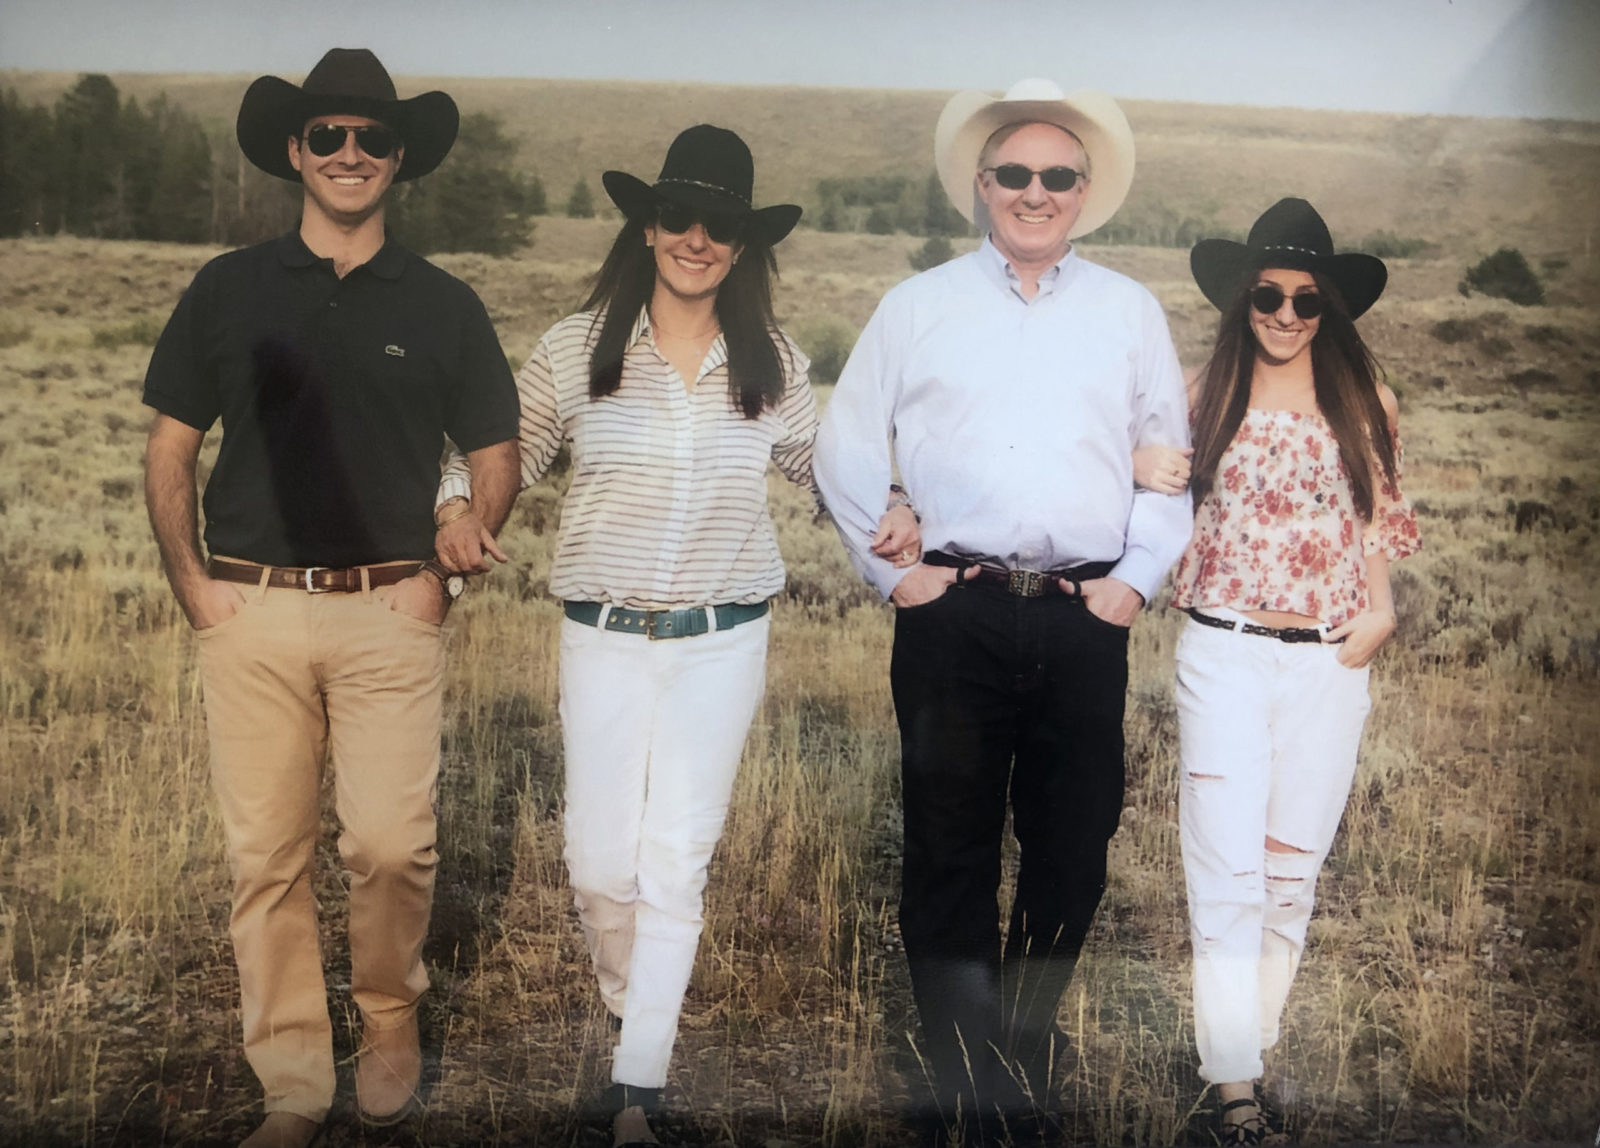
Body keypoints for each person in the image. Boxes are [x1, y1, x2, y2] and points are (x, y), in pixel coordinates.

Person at [432, 125, 920, 1148]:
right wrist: (456, 512)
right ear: (646, 226)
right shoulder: (575, 349)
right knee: (599, 865)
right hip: (602, 632)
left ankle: (637, 1085)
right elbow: (496, 449)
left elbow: (818, 469)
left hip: (722, 638)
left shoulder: (774, 361)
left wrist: (897, 501)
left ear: (743, 245)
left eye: (722, 225)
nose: (698, 239)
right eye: (680, 218)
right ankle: (629, 992)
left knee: (675, 857)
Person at [141, 49, 520, 1148]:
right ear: (295, 154)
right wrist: (197, 590)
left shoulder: (445, 304)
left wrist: (446, 565)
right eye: (328, 136)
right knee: (266, 856)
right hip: (249, 612)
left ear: (399, 160)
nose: (350, 154)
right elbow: (170, 451)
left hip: (391, 611)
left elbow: (494, 449)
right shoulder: (227, 286)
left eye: (371, 138)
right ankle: (294, 1081)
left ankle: (390, 1019)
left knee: (392, 845)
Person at [814, 79, 1192, 1137]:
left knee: (1072, 845)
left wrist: (1133, 581)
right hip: (955, 612)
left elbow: (1169, 467)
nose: (1035, 191)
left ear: (1083, 193)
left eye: (1056, 176)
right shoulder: (918, 306)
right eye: (1014, 174)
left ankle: (1022, 1050)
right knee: (948, 845)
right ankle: (958, 1073)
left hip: (1082, 617)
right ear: (981, 187)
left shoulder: (1128, 312)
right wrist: (895, 573)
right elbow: (844, 442)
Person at [1137, 198, 1420, 1144]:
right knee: (1227, 871)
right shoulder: (1198, 394)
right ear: (1240, 297)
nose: (1286, 314)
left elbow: (1376, 521)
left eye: (1307, 300)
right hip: (1222, 653)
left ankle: (1243, 1048)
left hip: (1328, 665)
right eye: (1268, 294)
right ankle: (1235, 1092)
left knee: (1291, 875)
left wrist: (1379, 612)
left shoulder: (1366, 403)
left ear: (1331, 309)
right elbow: (1133, 495)